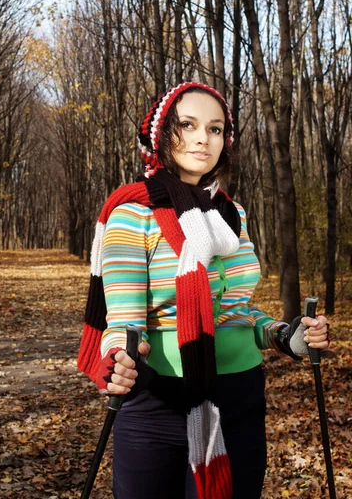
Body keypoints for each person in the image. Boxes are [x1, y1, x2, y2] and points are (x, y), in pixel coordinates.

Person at [78, 81, 329, 499]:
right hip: (158, 399)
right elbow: (123, 323)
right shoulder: (132, 214)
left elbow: (236, 311)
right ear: (161, 137)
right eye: (188, 125)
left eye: (214, 129)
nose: (202, 138)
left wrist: (287, 336)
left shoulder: (233, 213)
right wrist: (116, 360)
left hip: (240, 398)